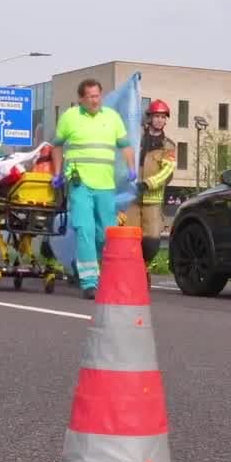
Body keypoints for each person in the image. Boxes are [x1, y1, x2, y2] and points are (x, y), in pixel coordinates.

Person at [53, 78, 134, 299]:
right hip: (80, 183)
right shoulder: (70, 117)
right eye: (90, 96)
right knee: (85, 229)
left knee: (105, 233)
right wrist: (58, 172)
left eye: (97, 95)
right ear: (81, 98)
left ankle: (84, 264)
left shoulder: (112, 117)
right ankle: (89, 281)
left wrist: (132, 168)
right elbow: (57, 146)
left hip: (106, 185)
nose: (95, 100)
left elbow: (125, 146)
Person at [135, 99, 179, 265]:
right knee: (129, 237)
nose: (160, 120)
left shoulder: (168, 146)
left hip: (152, 199)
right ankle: (130, 269)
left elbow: (167, 170)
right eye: (157, 116)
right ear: (149, 118)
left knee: (151, 240)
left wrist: (148, 183)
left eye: (163, 117)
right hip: (132, 197)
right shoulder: (136, 138)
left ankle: (144, 268)